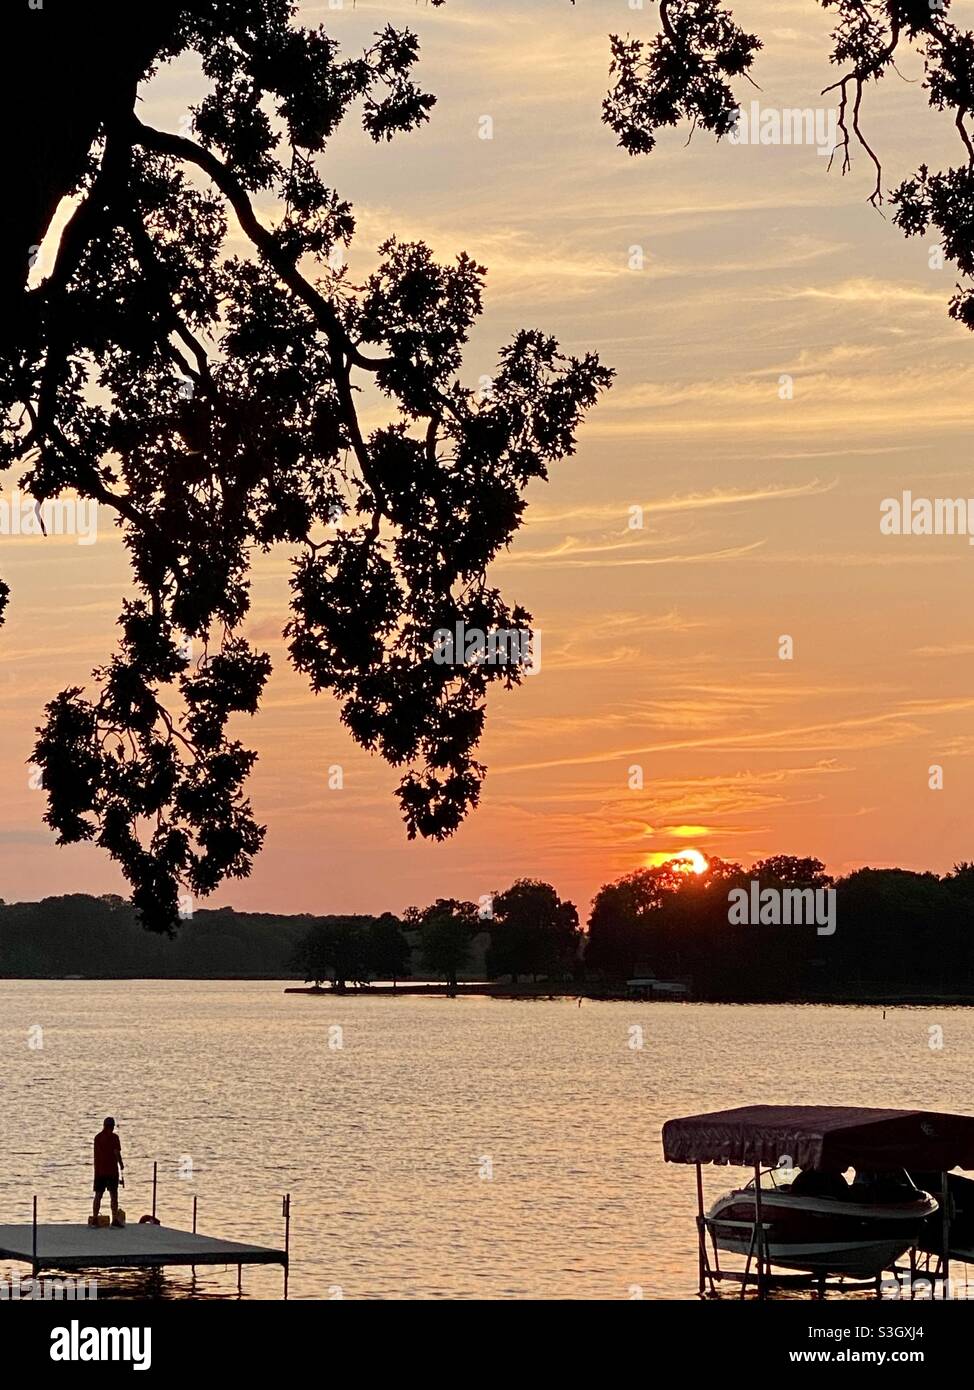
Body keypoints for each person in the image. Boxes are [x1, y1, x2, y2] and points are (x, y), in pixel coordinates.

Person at [91, 1117, 124, 1227]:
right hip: (111, 1171)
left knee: (98, 1195)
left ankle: (95, 1218)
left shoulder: (97, 1138)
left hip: (99, 1171)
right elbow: (116, 1153)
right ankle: (114, 1219)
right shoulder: (114, 1138)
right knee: (113, 1195)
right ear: (112, 1126)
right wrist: (121, 1164)